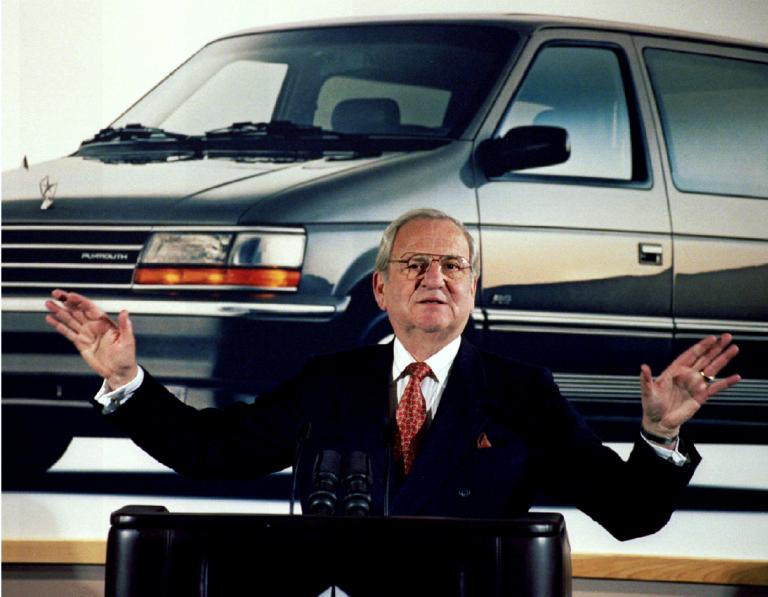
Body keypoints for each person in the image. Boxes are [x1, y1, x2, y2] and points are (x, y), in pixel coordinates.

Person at [45, 208, 741, 540]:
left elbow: (629, 512)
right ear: (380, 290)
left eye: (452, 266)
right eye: (414, 264)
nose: (434, 278)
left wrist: (657, 433)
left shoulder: (521, 391)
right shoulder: (330, 380)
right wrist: (128, 378)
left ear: (472, 289)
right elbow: (210, 449)